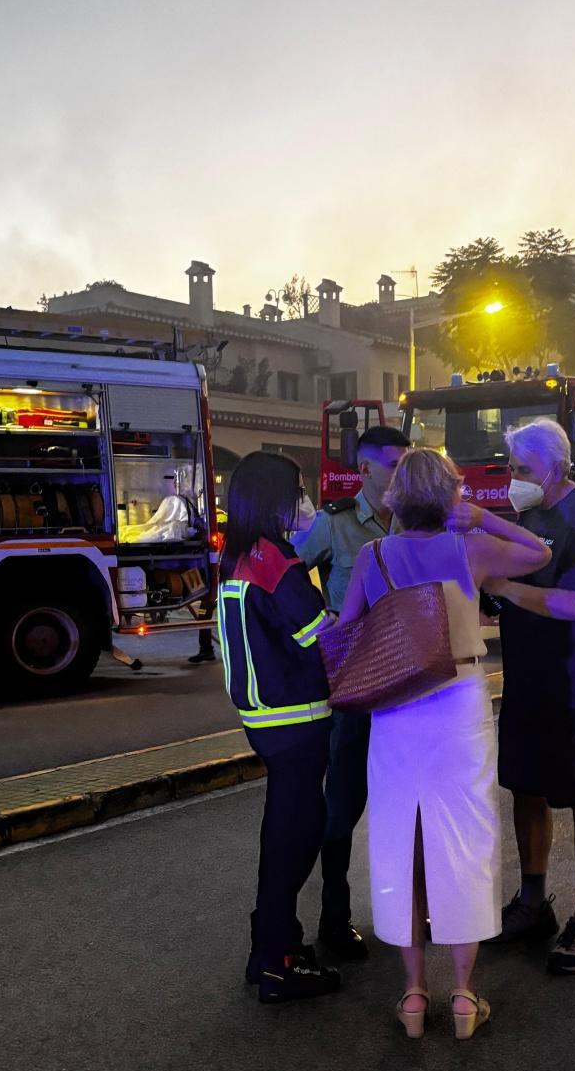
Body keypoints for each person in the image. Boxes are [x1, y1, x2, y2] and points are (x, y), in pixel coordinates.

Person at [331, 447, 548, 1038]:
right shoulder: (467, 548)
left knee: (402, 839)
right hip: (459, 706)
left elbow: (346, 628)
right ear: (450, 493)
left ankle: (411, 994)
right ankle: (462, 994)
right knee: (464, 840)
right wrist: (483, 517)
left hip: (395, 710)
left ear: (398, 496)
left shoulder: (374, 555)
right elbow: (539, 553)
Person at [486, 418, 575, 974]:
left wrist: (506, 589)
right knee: (526, 788)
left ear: (555, 469)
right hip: (527, 676)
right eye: (511, 468)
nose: (512, 480)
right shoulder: (527, 516)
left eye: (521, 470)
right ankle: (533, 901)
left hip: (573, 679)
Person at [216, 452, 340, 1004]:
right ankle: (276, 960)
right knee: (296, 835)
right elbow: (321, 636)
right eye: (296, 491)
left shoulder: (240, 555)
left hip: (263, 718)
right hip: (296, 717)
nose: (304, 501)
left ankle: (271, 945)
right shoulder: (277, 563)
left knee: (283, 830)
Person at [295, 425, 409, 958]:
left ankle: (407, 910)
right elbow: (285, 579)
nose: (401, 475)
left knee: (408, 806)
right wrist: (325, 622)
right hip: (356, 689)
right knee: (342, 808)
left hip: (409, 690)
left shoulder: (416, 524)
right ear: (364, 470)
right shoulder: (334, 525)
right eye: (392, 465)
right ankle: (333, 921)